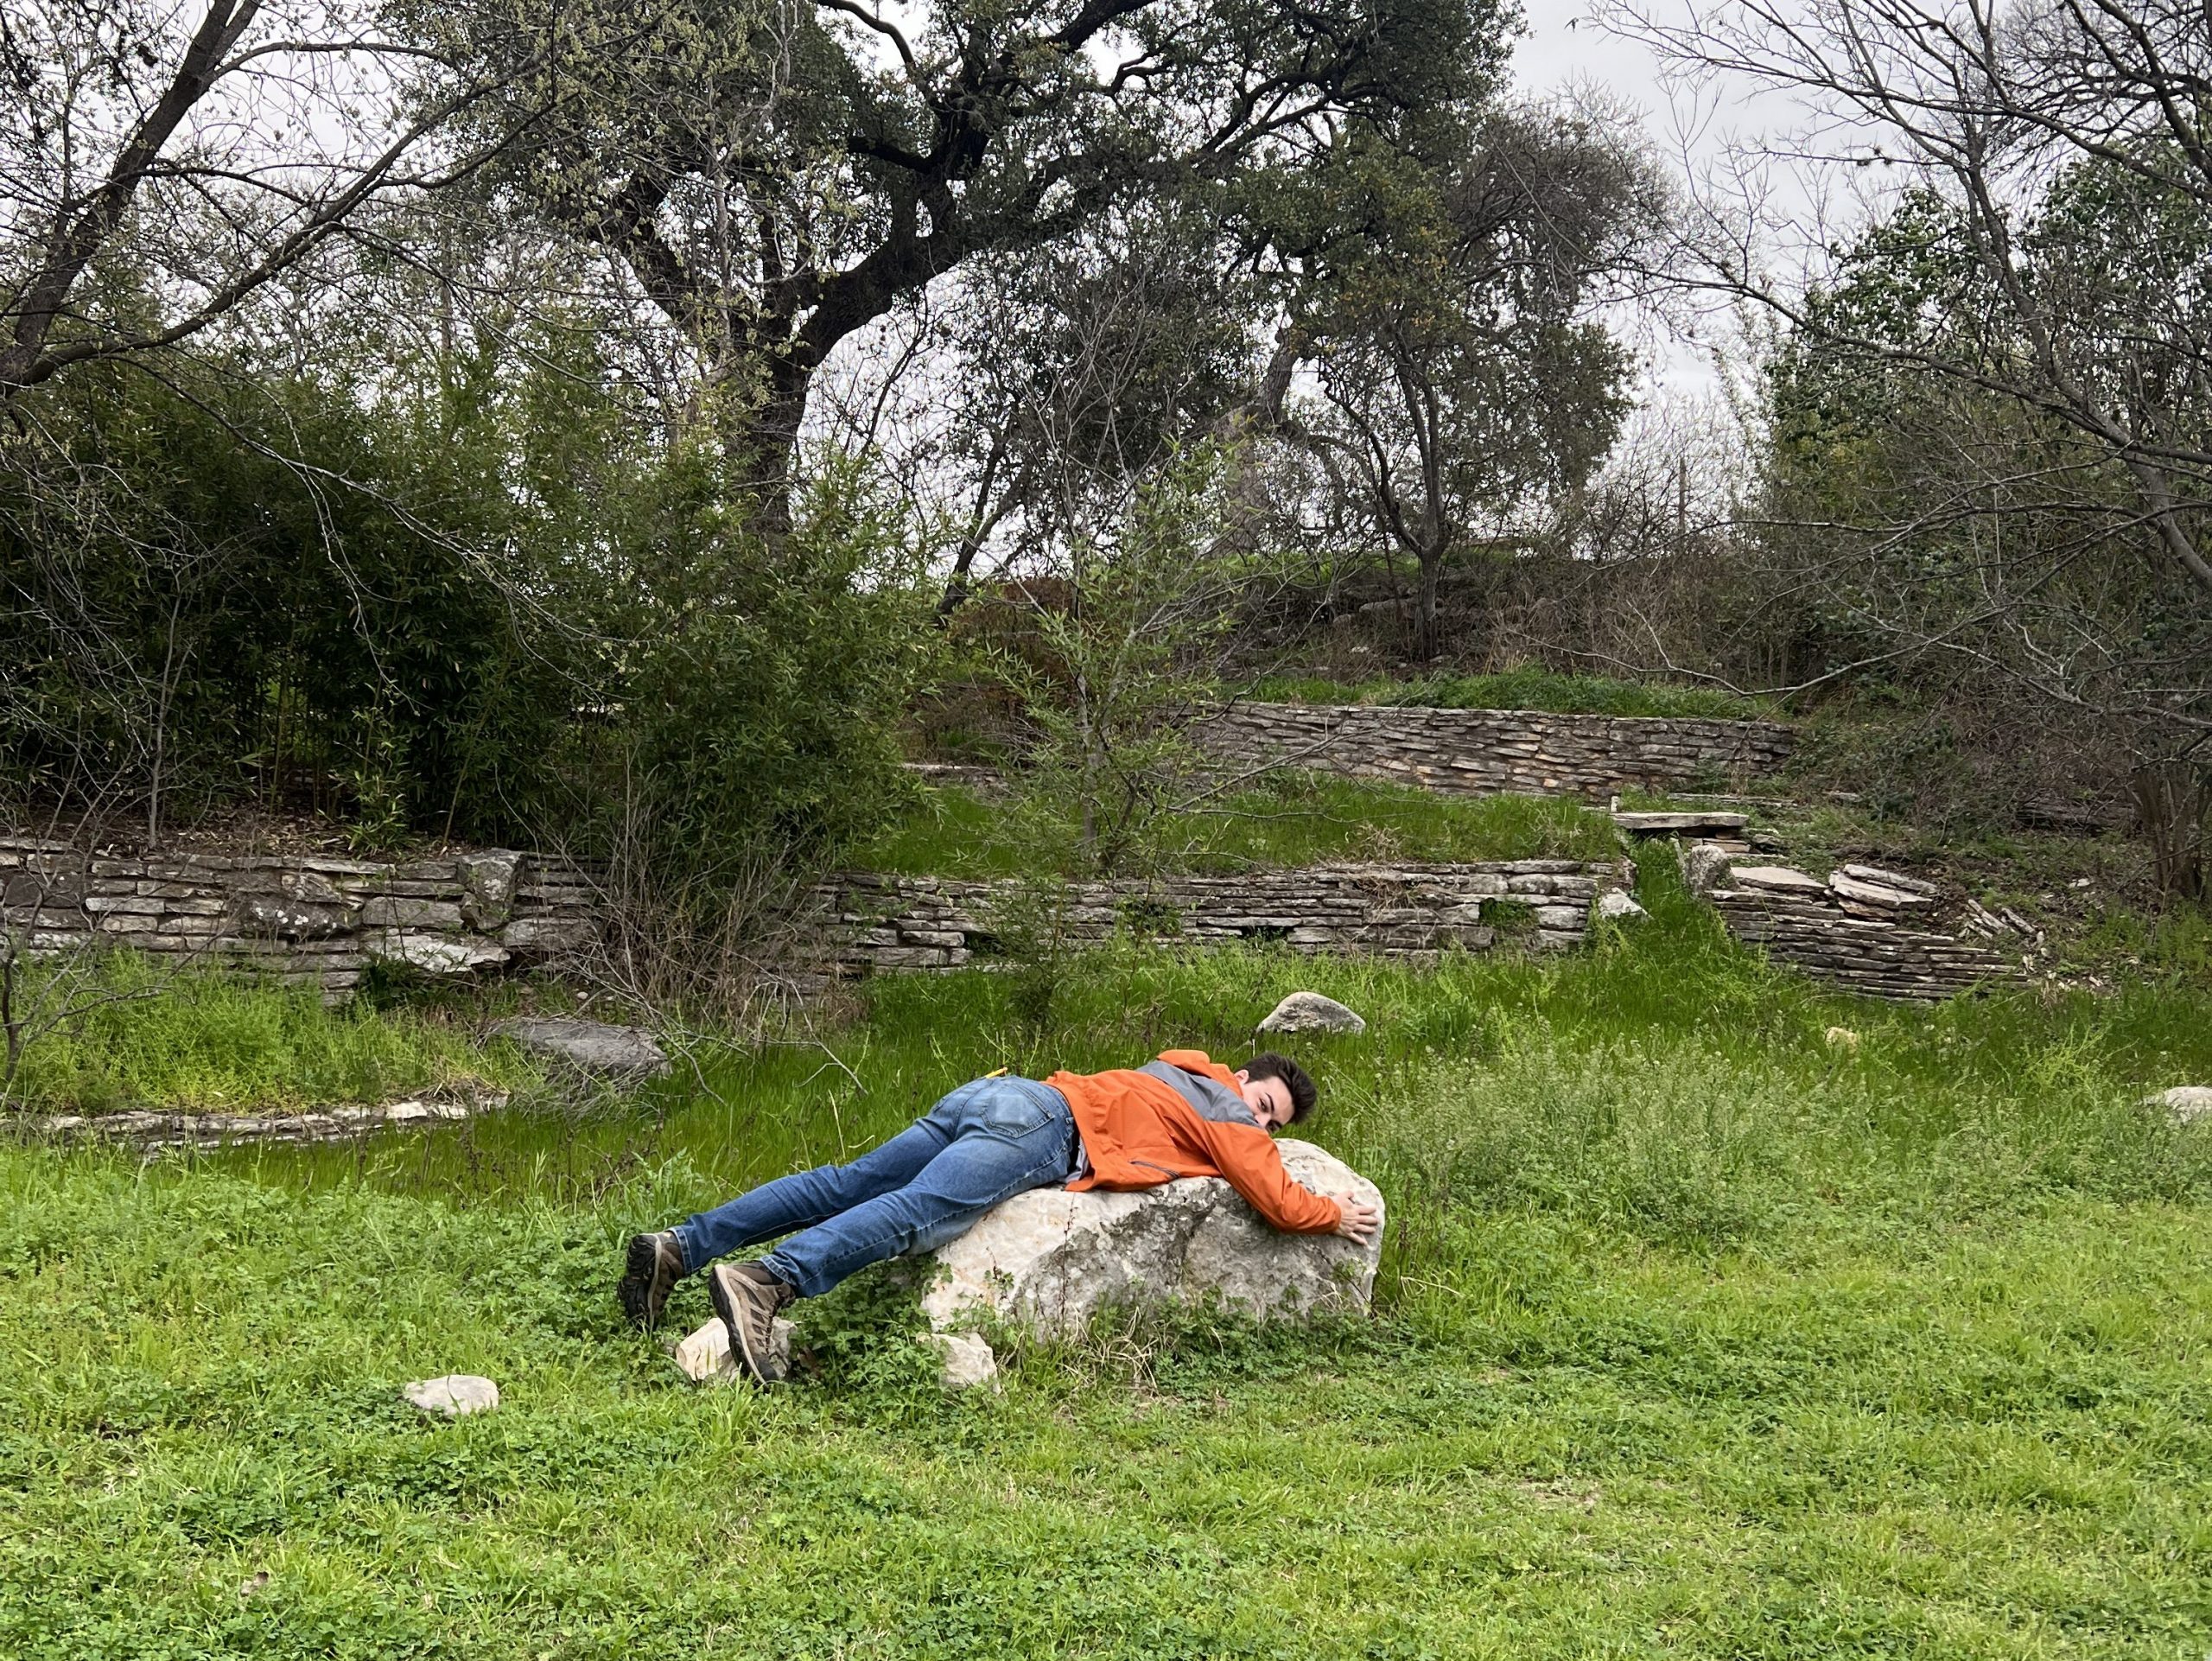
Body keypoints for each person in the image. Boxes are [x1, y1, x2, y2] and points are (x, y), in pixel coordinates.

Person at [618, 1048, 1382, 1382]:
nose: (1264, 1128)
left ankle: (681, 1246)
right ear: (1243, 1079)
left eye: (1276, 1126)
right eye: (1266, 1107)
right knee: (920, 1215)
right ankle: (767, 1284)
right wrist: (1333, 1213)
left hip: (1001, 1095)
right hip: (1043, 1130)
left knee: (844, 1181)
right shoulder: (1225, 1106)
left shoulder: (1175, 1070)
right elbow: (1277, 1198)